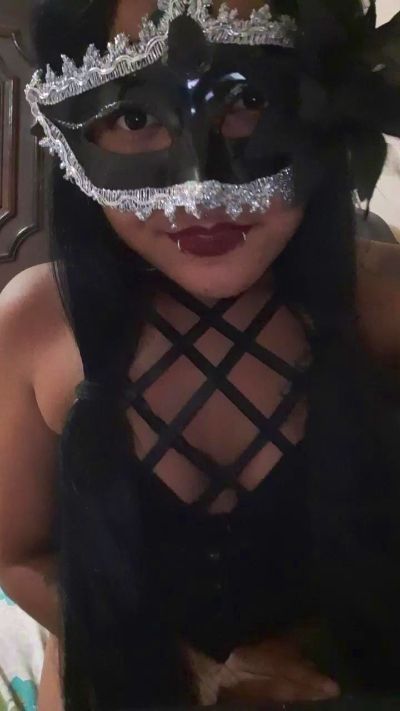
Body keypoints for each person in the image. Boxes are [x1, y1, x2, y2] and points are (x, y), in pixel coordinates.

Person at [0, 0, 400, 708]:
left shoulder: (387, 305)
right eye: (134, 115)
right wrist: (186, 669)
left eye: (248, 99)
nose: (200, 189)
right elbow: (14, 553)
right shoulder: (35, 328)